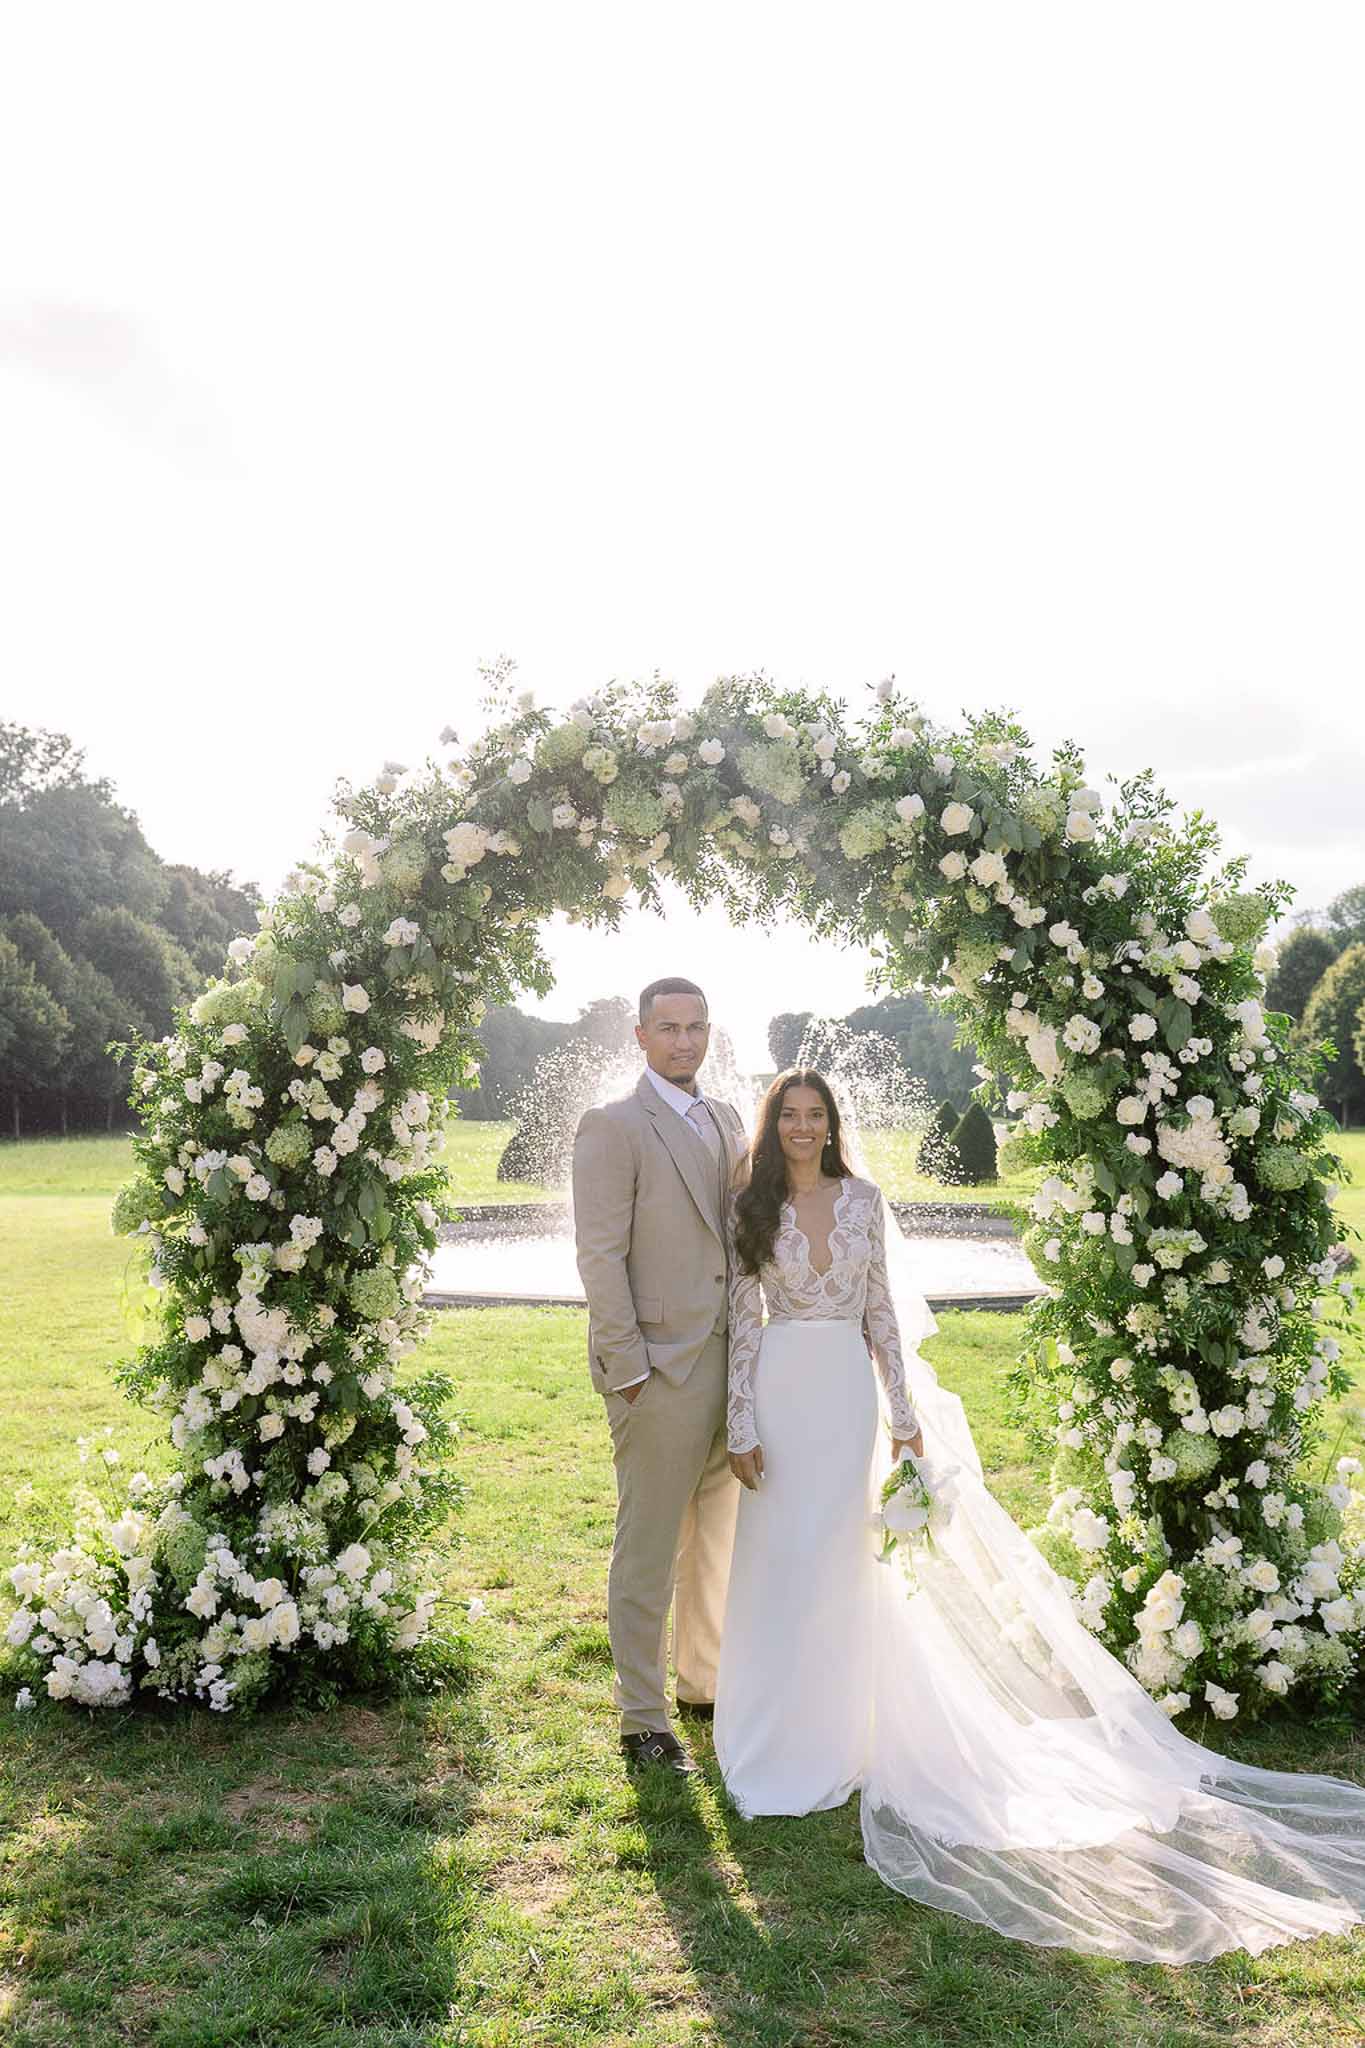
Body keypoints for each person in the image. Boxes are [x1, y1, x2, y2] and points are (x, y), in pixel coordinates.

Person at [714, 1067, 1365, 1964]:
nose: (799, 1127)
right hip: (780, 1392)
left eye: (813, 1115)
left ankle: (836, 1737)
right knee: (776, 1563)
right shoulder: (747, 1204)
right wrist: (739, 1418)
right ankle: (765, 1735)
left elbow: (881, 1319)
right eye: (786, 1115)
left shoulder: (863, 1199)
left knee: (837, 1566)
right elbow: (741, 1322)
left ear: (831, 1125)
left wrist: (903, 1421)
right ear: (771, 1124)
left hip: (845, 1401)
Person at [572, 977, 748, 1774]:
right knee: (646, 1548)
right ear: (639, 1036)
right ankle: (641, 1720)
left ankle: (699, 1685)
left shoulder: (728, 1120)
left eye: (696, 1028)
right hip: (657, 1373)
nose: (684, 1041)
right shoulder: (612, 1126)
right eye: (668, 1028)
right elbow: (599, 1255)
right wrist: (629, 1370)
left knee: (715, 1539)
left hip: (729, 1365)